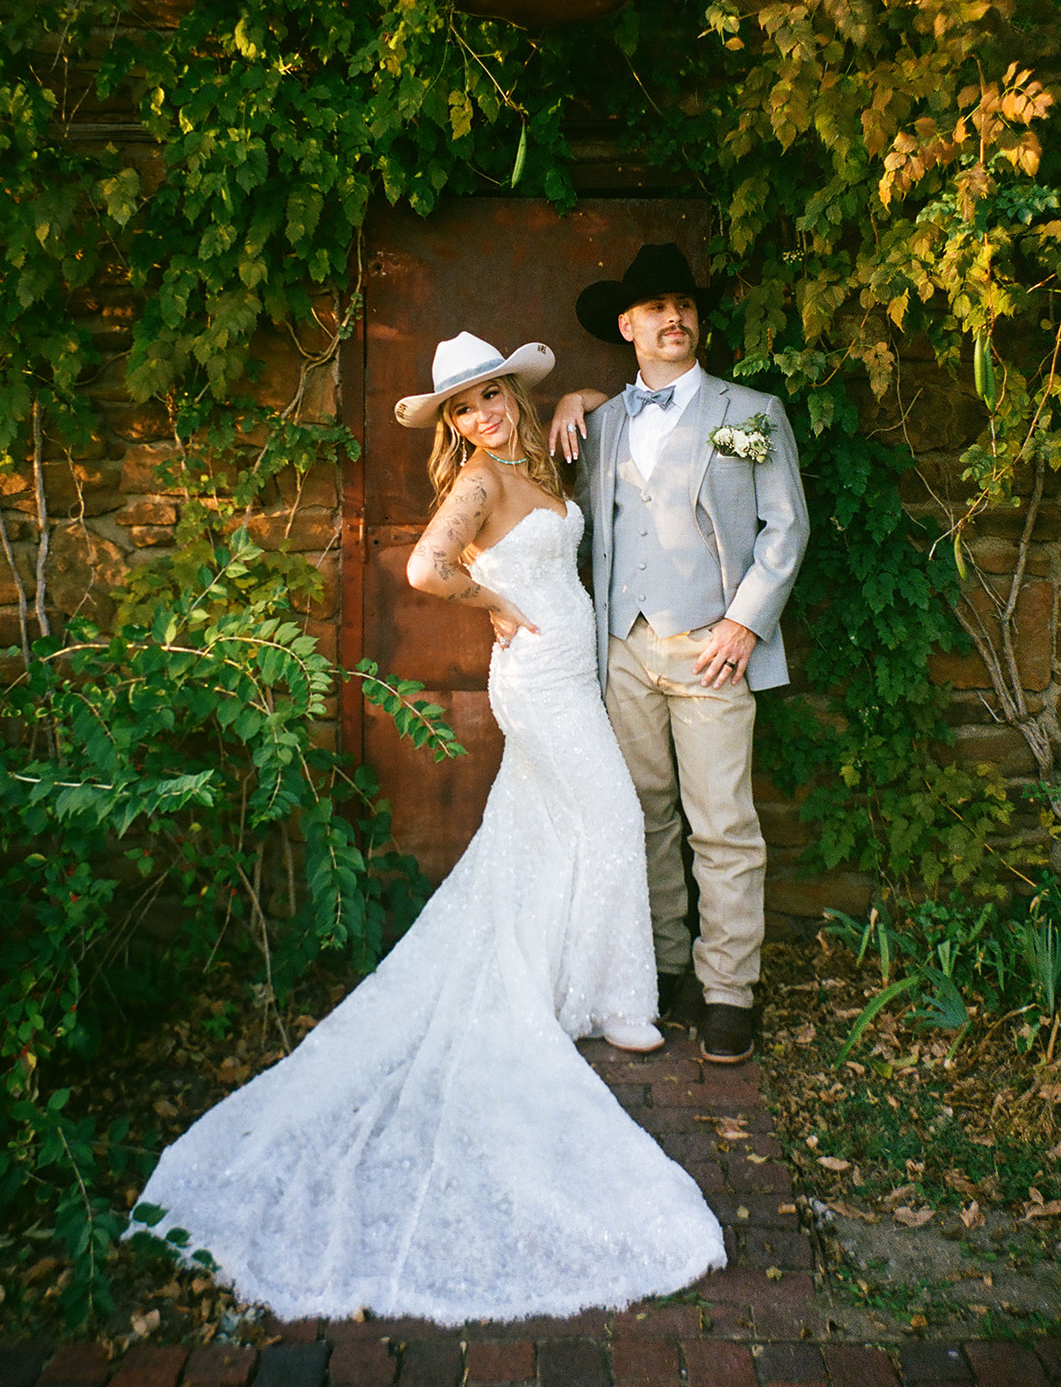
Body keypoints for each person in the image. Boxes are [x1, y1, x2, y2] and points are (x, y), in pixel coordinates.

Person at [126, 330, 724, 1325]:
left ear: (510, 399)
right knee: (615, 821)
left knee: (541, 833)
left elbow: (593, 406)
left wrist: (578, 391)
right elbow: (424, 569)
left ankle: (568, 985)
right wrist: (492, 596)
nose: (479, 416)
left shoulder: (537, 452)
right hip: (536, 680)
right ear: (454, 426)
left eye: (489, 398)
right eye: (462, 409)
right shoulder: (481, 483)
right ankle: (620, 1003)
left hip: (572, 667)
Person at [550, 245, 810, 1066]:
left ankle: (729, 987)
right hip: (623, 648)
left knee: (722, 824)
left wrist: (743, 624)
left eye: (684, 305)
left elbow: (785, 526)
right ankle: (663, 966)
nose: (675, 318)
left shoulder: (746, 413)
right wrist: (570, 395)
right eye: (655, 308)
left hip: (708, 647)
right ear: (626, 326)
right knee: (644, 816)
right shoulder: (604, 422)